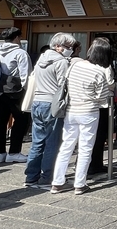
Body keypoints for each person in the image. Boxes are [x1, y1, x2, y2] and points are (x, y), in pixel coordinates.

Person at [51, 38, 113, 194]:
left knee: (66, 147)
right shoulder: (99, 72)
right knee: (85, 148)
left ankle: (57, 182)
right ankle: (79, 183)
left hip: (71, 111)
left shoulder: (74, 66)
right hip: (89, 112)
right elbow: (102, 98)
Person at [25, 33, 79, 189]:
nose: (70, 50)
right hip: (52, 104)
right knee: (52, 143)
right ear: (57, 46)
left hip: (37, 102)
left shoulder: (41, 60)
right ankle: (47, 176)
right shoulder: (61, 62)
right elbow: (64, 85)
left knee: (37, 142)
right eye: (68, 47)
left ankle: (31, 175)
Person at [0, 27, 31, 164]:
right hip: (17, 91)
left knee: (0, 122)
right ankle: (14, 151)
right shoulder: (21, 53)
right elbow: (26, 74)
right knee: (21, 120)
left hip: (0, 90)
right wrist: (27, 90)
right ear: (16, 38)